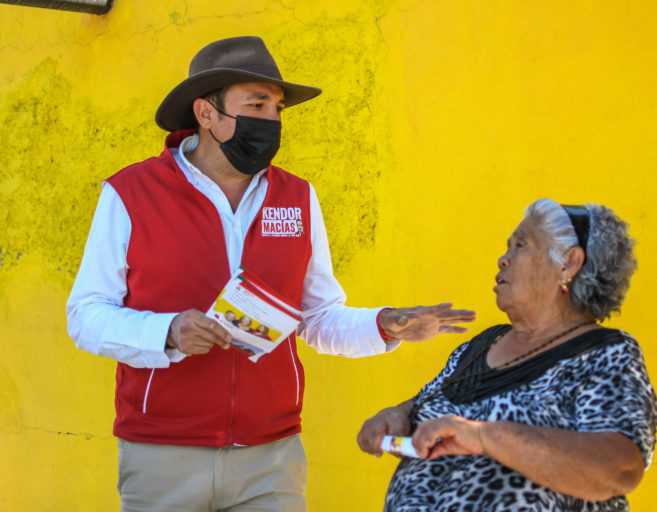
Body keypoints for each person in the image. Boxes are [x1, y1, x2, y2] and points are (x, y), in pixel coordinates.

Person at [66, 36, 475, 512]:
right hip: (162, 454)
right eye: (256, 104)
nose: (273, 121)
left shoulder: (298, 197)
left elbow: (317, 317)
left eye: (278, 108)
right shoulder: (130, 192)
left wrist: (382, 325)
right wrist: (168, 332)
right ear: (206, 113)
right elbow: (86, 315)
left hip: (272, 455)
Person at [358, 198, 657, 511]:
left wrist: (488, 437)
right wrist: (398, 415)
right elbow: (429, 403)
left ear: (569, 263)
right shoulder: (481, 346)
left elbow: (619, 470)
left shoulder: (605, 353)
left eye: (521, 245)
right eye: (508, 247)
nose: (503, 259)